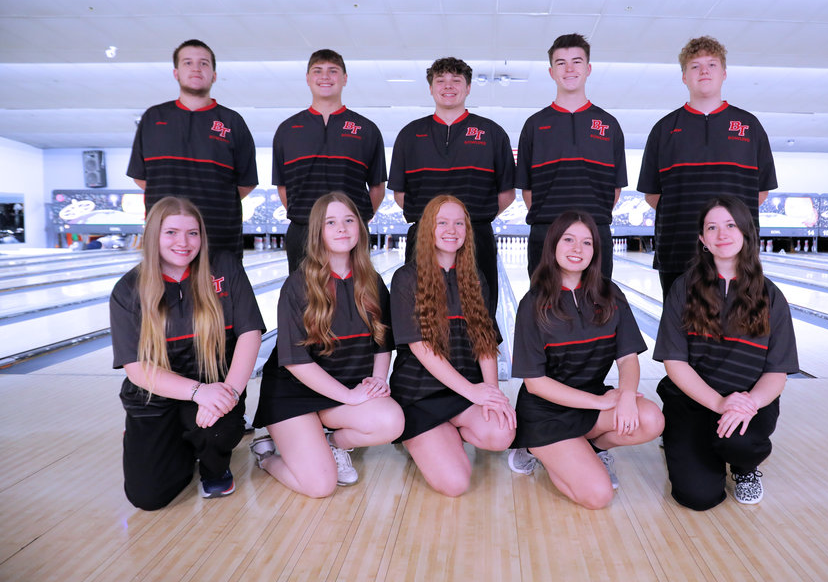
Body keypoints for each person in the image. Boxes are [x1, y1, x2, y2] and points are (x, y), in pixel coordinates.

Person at [109, 196, 264, 510]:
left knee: (218, 430)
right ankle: (167, 443)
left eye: (192, 233)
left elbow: (250, 334)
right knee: (148, 497)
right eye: (171, 232)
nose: (184, 242)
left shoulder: (224, 267)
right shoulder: (128, 290)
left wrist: (229, 393)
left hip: (215, 379)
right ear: (154, 235)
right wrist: (197, 392)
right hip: (157, 393)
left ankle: (213, 463)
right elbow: (138, 369)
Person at [507, 211, 663, 509]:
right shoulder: (533, 304)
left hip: (591, 403)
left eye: (586, 242)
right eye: (568, 240)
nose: (577, 249)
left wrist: (627, 396)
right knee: (598, 496)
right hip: (546, 414)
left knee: (651, 419)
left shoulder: (610, 295)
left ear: (595, 250)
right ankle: (536, 449)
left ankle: (590, 447)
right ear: (553, 244)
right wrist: (601, 403)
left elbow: (628, 358)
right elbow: (536, 384)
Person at [251, 192, 403, 496]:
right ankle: (267, 456)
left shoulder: (372, 282)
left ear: (359, 227)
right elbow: (295, 362)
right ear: (318, 232)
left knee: (392, 421)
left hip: (342, 391)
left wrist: (376, 380)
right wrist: (350, 396)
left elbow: (383, 343)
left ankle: (330, 443)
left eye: (349, 220)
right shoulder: (297, 285)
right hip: (293, 393)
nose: (342, 228)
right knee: (320, 486)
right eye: (331, 222)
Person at [653, 196, 798, 510]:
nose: (722, 234)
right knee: (698, 496)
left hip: (749, 402)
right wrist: (718, 402)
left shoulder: (771, 296)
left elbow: (776, 372)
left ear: (746, 232)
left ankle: (745, 467)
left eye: (731, 225)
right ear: (702, 239)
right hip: (692, 402)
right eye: (712, 227)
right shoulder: (683, 288)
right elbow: (674, 362)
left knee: (740, 442)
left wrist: (747, 404)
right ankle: (698, 447)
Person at [389, 194, 516, 497]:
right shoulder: (406, 278)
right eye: (442, 222)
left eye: (459, 223)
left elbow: (485, 341)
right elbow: (421, 348)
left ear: (467, 231)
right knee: (455, 485)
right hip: (420, 394)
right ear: (428, 229)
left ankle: (449, 432)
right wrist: (472, 392)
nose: (452, 229)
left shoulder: (474, 278)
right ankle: (427, 437)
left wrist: (491, 394)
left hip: (463, 393)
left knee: (502, 434)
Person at [638, 36, 778, 299]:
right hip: (678, 254)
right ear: (684, 77)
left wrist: (722, 228)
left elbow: (760, 192)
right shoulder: (663, 129)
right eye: (695, 66)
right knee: (678, 335)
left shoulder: (749, 126)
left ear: (724, 73)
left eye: (712, 65)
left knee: (738, 333)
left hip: (738, 258)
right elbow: (652, 194)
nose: (704, 71)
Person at [388, 57, 515, 315]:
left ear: (468, 88)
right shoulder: (409, 135)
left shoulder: (492, 133)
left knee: (480, 315)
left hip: (476, 238)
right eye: (441, 80)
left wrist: (466, 222)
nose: (448, 86)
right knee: (421, 315)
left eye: (456, 80)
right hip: (422, 237)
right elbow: (400, 194)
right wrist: (435, 224)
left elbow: (507, 194)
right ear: (431, 88)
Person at [128, 39, 258, 258]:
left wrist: (214, 201)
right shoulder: (153, 118)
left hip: (219, 239)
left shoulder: (232, 121)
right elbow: (141, 177)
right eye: (188, 62)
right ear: (176, 72)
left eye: (204, 63)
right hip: (164, 240)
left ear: (214, 75)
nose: (196, 68)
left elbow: (246, 183)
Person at [515, 33, 627, 279]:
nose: (569, 69)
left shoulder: (609, 125)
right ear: (551, 71)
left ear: (588, 69)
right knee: (542, 312)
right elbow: (527, 190)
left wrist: (586, 225)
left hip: (596, 232)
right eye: (561, 63)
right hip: (545, 233)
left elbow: (615, 189)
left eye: (576, 62)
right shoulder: (534, 125)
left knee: (599, 311)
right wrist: (555, 226)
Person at [272, 49, 387, 272]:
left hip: (351, 234)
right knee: (302, 302)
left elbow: (377, 187)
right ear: (308, 78)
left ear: (344, 79)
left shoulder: (366, 129)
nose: (325, 76)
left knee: (355, 301)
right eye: (318, 70)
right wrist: (311, 219)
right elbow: (283, 187)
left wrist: (355, 221)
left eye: (333, 71)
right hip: (303, 232)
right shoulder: (287, 130)